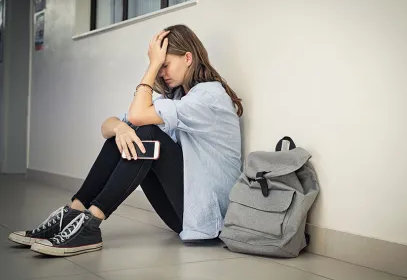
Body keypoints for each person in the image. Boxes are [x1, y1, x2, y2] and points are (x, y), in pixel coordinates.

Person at [8, 25, 243, 257]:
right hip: (185, 214)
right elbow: (107, 127)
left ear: (188, 58)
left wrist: (151, 66)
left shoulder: (210, 96)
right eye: (158, 67)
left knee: (146, 133)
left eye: (165, 65)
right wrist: (120, 128)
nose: (162, 73)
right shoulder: (179, 97)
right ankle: (73, 213)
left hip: (209, 217)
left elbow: (137, 116)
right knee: (123, 135)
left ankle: (90, 225)